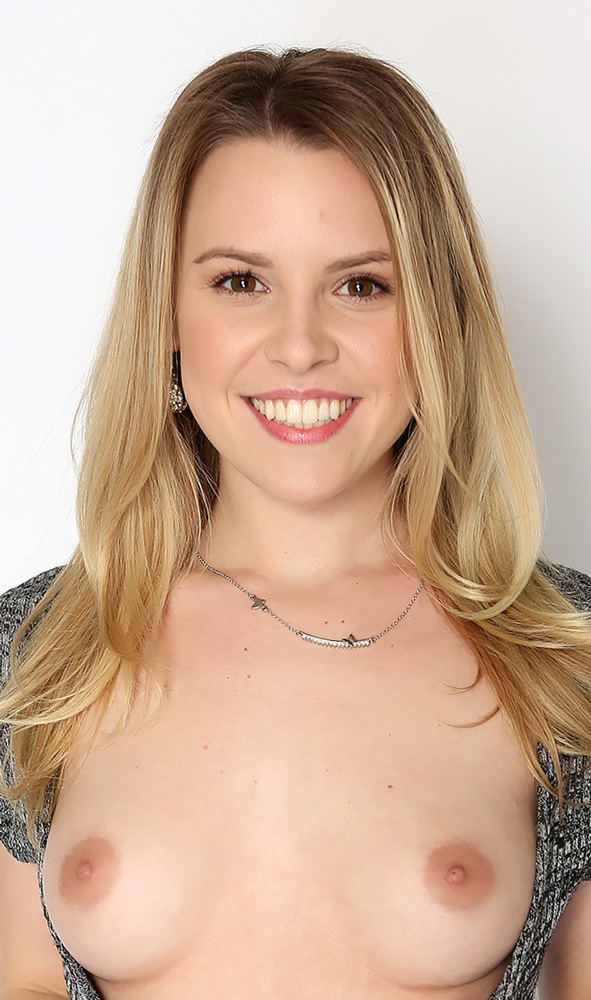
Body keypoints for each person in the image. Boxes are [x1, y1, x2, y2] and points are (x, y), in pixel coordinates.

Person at [1, 46, 590, 1000]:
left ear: (435, 318)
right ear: (167, 315)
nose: (301, 345)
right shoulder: (35, 654)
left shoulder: (567, 659)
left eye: (361, 285)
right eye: (242, 281)